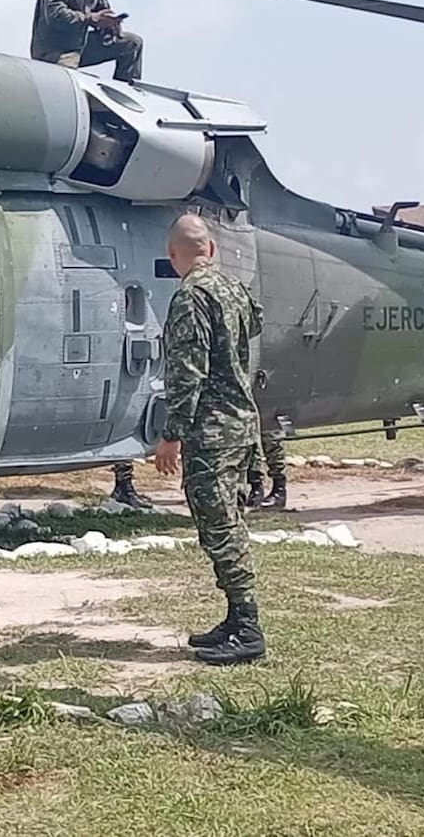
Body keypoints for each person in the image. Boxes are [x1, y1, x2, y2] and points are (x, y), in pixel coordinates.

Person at [153, 213, 266, 666]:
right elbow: (253, 325)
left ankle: (247, 626)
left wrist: (171, 436)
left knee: (220, 528)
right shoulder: (233, 288)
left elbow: (187, 372)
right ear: (213, 250)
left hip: (213, 431)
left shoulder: (191, 297)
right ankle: (236, 618)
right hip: (242, 424)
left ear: (173, 255)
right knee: (229, 521)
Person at [245, 430, 287, 510]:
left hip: (269, 422)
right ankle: (256, 490)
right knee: (251, 444)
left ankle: (279, 492)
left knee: (272, 442)